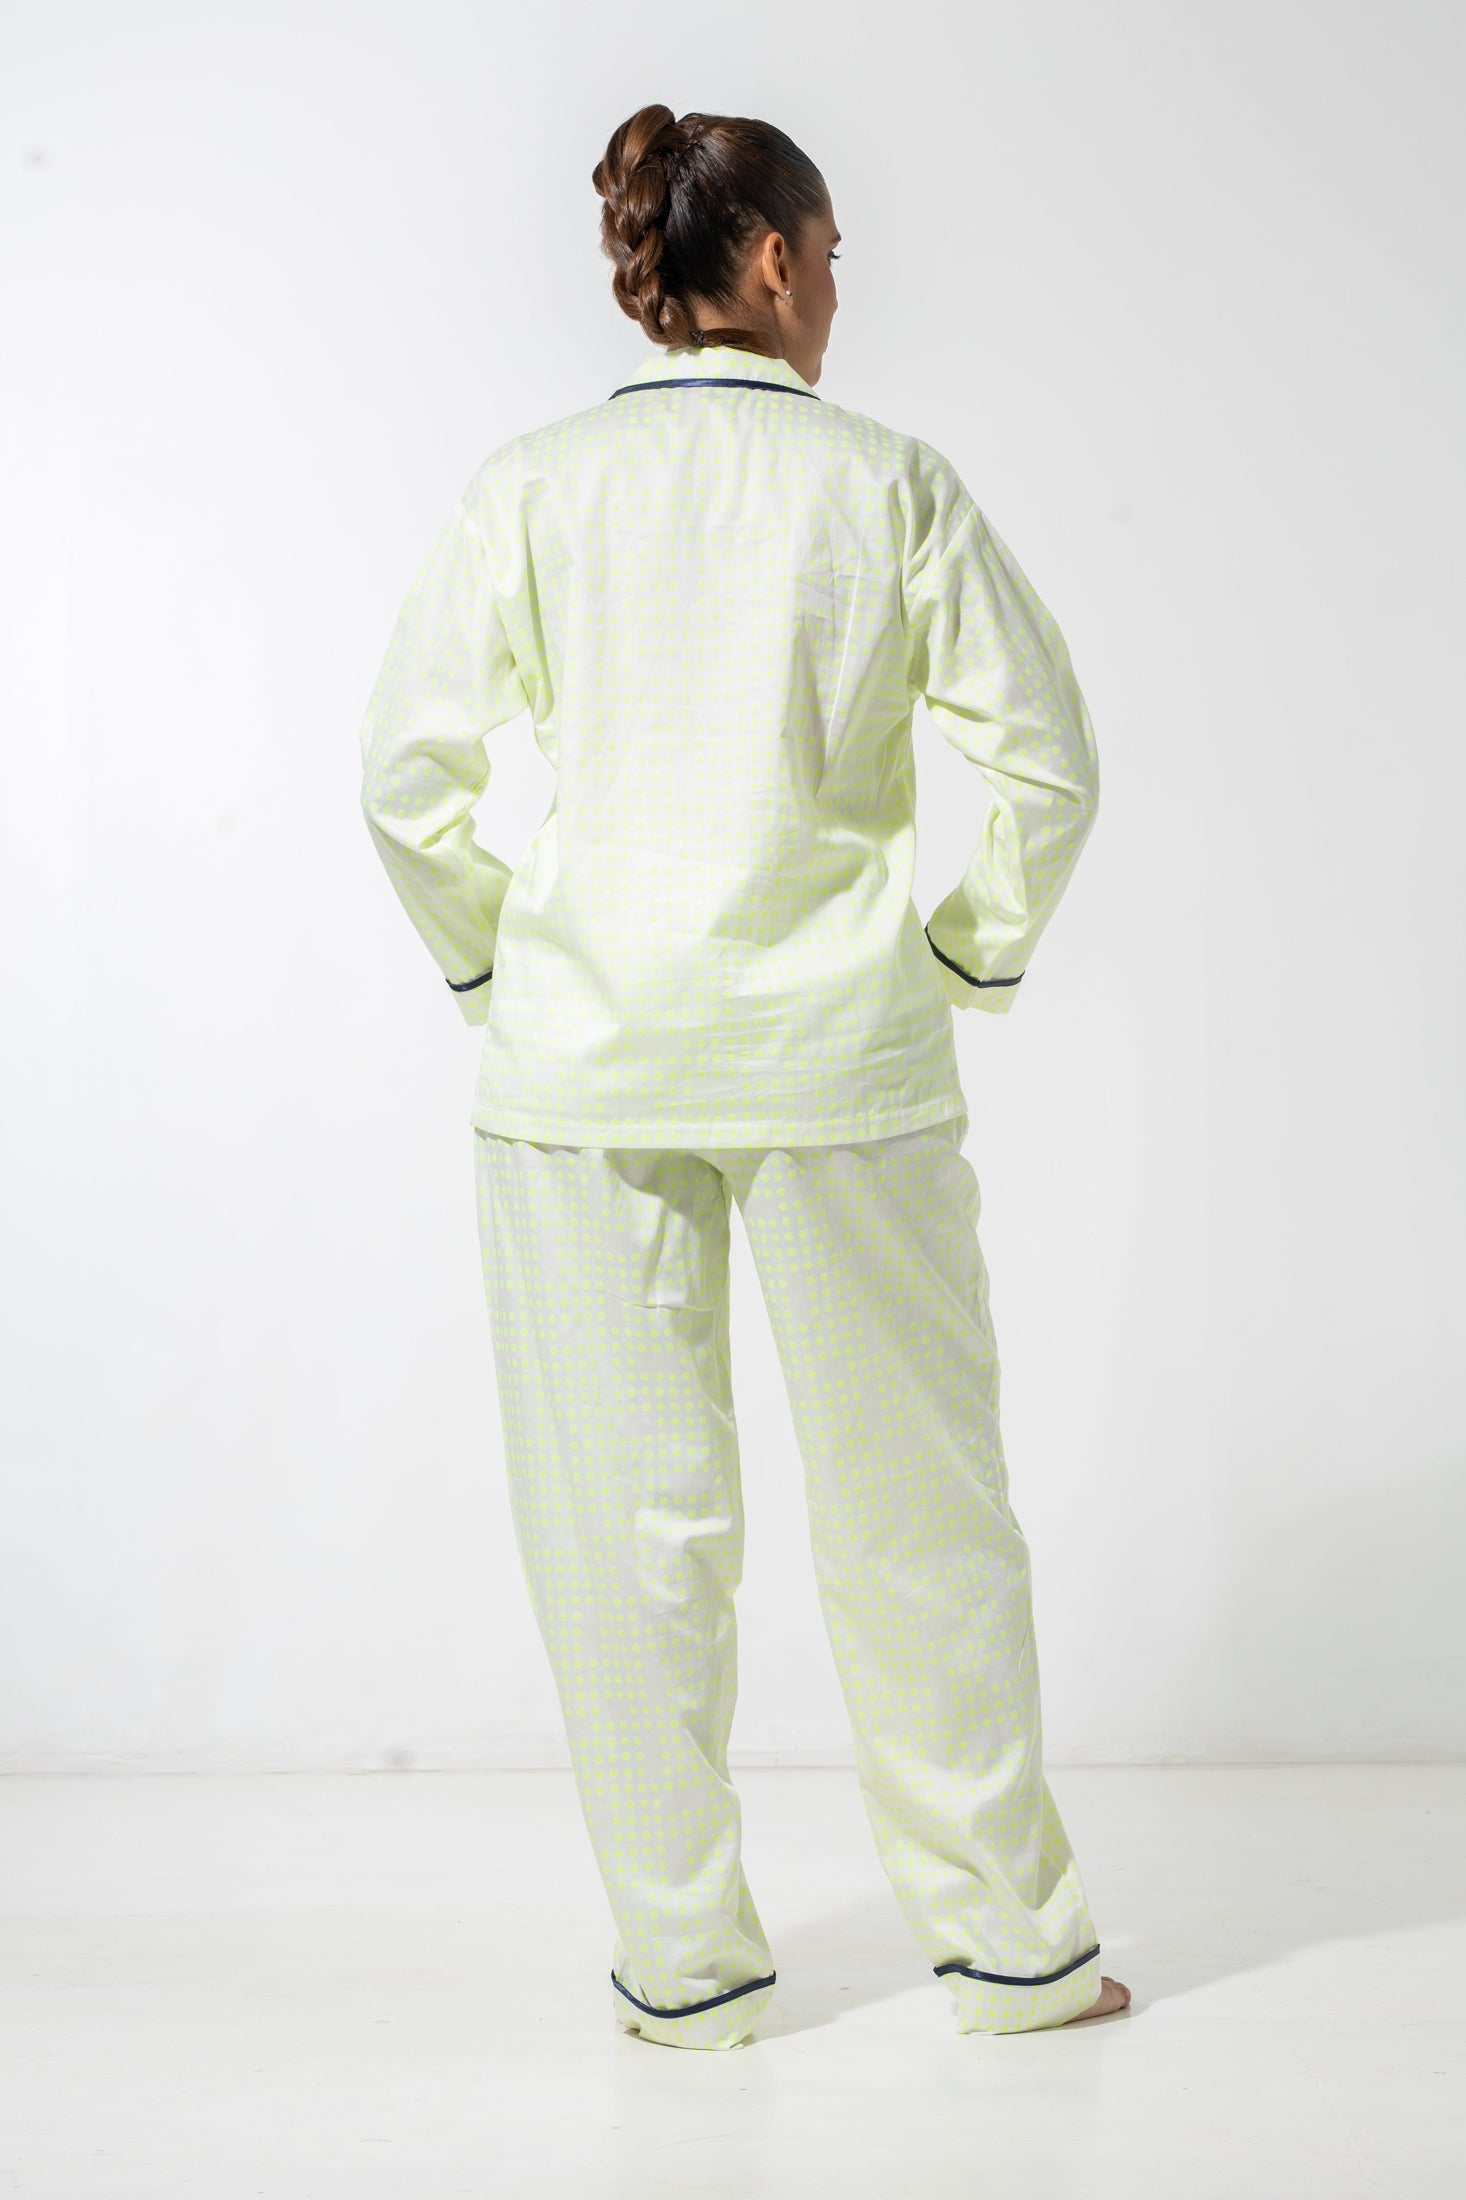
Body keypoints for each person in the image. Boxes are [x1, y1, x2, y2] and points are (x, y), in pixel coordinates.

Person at [357, 101, 1129, 2049]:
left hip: (580, 1069)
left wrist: (506, 964)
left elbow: (402, 782)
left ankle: (685, 1971)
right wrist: (964, 955)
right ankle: (1011, 1952)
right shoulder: (887, 483)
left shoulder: (531, 489)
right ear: (772, 260)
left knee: (621, 1538)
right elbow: (1047, 763)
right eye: (835, 253)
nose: (839, 289)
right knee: (920, 1513)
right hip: (839, 1058)